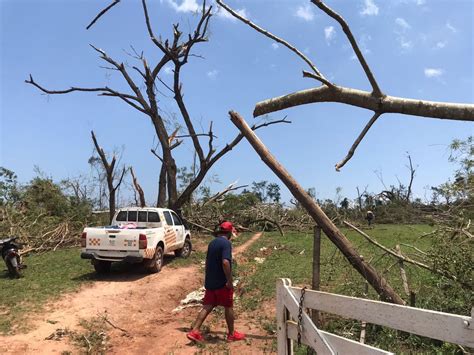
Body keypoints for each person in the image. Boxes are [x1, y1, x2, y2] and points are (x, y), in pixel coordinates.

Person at [186, 221, 246, 343]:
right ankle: (231, 334)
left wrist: (208, 278)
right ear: (229, 232)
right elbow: (225, 262)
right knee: (228, 306)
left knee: (207, 305)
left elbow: (207, 262)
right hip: (222, 282)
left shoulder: (212, 243)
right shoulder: (226, 244)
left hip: (211, 281)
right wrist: (229, 280)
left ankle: (195, 330)